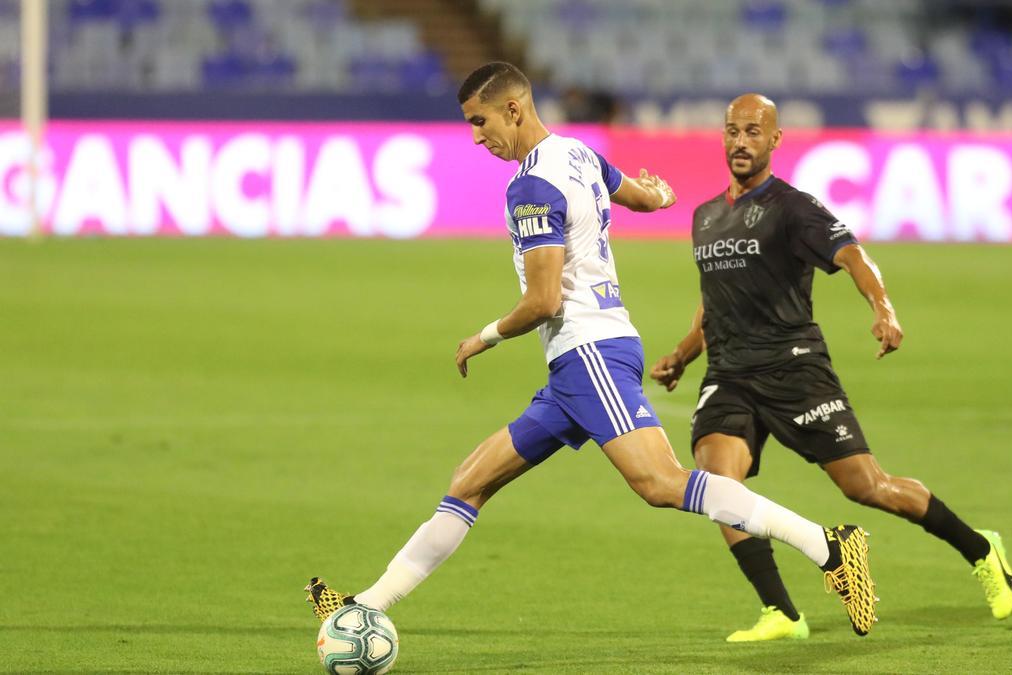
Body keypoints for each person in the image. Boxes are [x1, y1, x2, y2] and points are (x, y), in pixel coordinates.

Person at [305, 65, 878, 637]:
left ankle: (827, 546)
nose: (476, 137)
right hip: (578, 364)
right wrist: (659, 193)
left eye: (480, 122)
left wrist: (482, 338)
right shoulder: (578, 154)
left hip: (590, 352)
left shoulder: (531, 187)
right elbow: (639, 197)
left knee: (660, 483)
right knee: (470, 482)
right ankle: (365, 606)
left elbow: (544, 300)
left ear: (512, 110)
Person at [650, 93, 1012, 643]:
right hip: (729, 374)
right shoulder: (706, 216)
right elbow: (715, 302)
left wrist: (883, 308)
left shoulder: (794, 209)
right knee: (716, 484)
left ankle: (981, 548)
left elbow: (852, 255)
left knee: (867, 487)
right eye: (732, 131)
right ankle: (782, 612)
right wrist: (683, 353)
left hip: (794, 369)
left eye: (753, 132)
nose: (741, 142)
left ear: (774, 140)